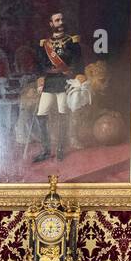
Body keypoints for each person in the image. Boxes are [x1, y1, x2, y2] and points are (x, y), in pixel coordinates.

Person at [32, 11, 86, 163]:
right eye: (57, 20)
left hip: (64, 81)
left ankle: (61, 148)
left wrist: (77, 76)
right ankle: (46, 150)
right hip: (49, 82)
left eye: (62, 19)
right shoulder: (44, 44)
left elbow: (78, 62)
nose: (60, 22)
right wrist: (40, 79)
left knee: (63, 115)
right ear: (51, 24)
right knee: (41, 115)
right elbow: (40, 65)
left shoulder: (72, 41)